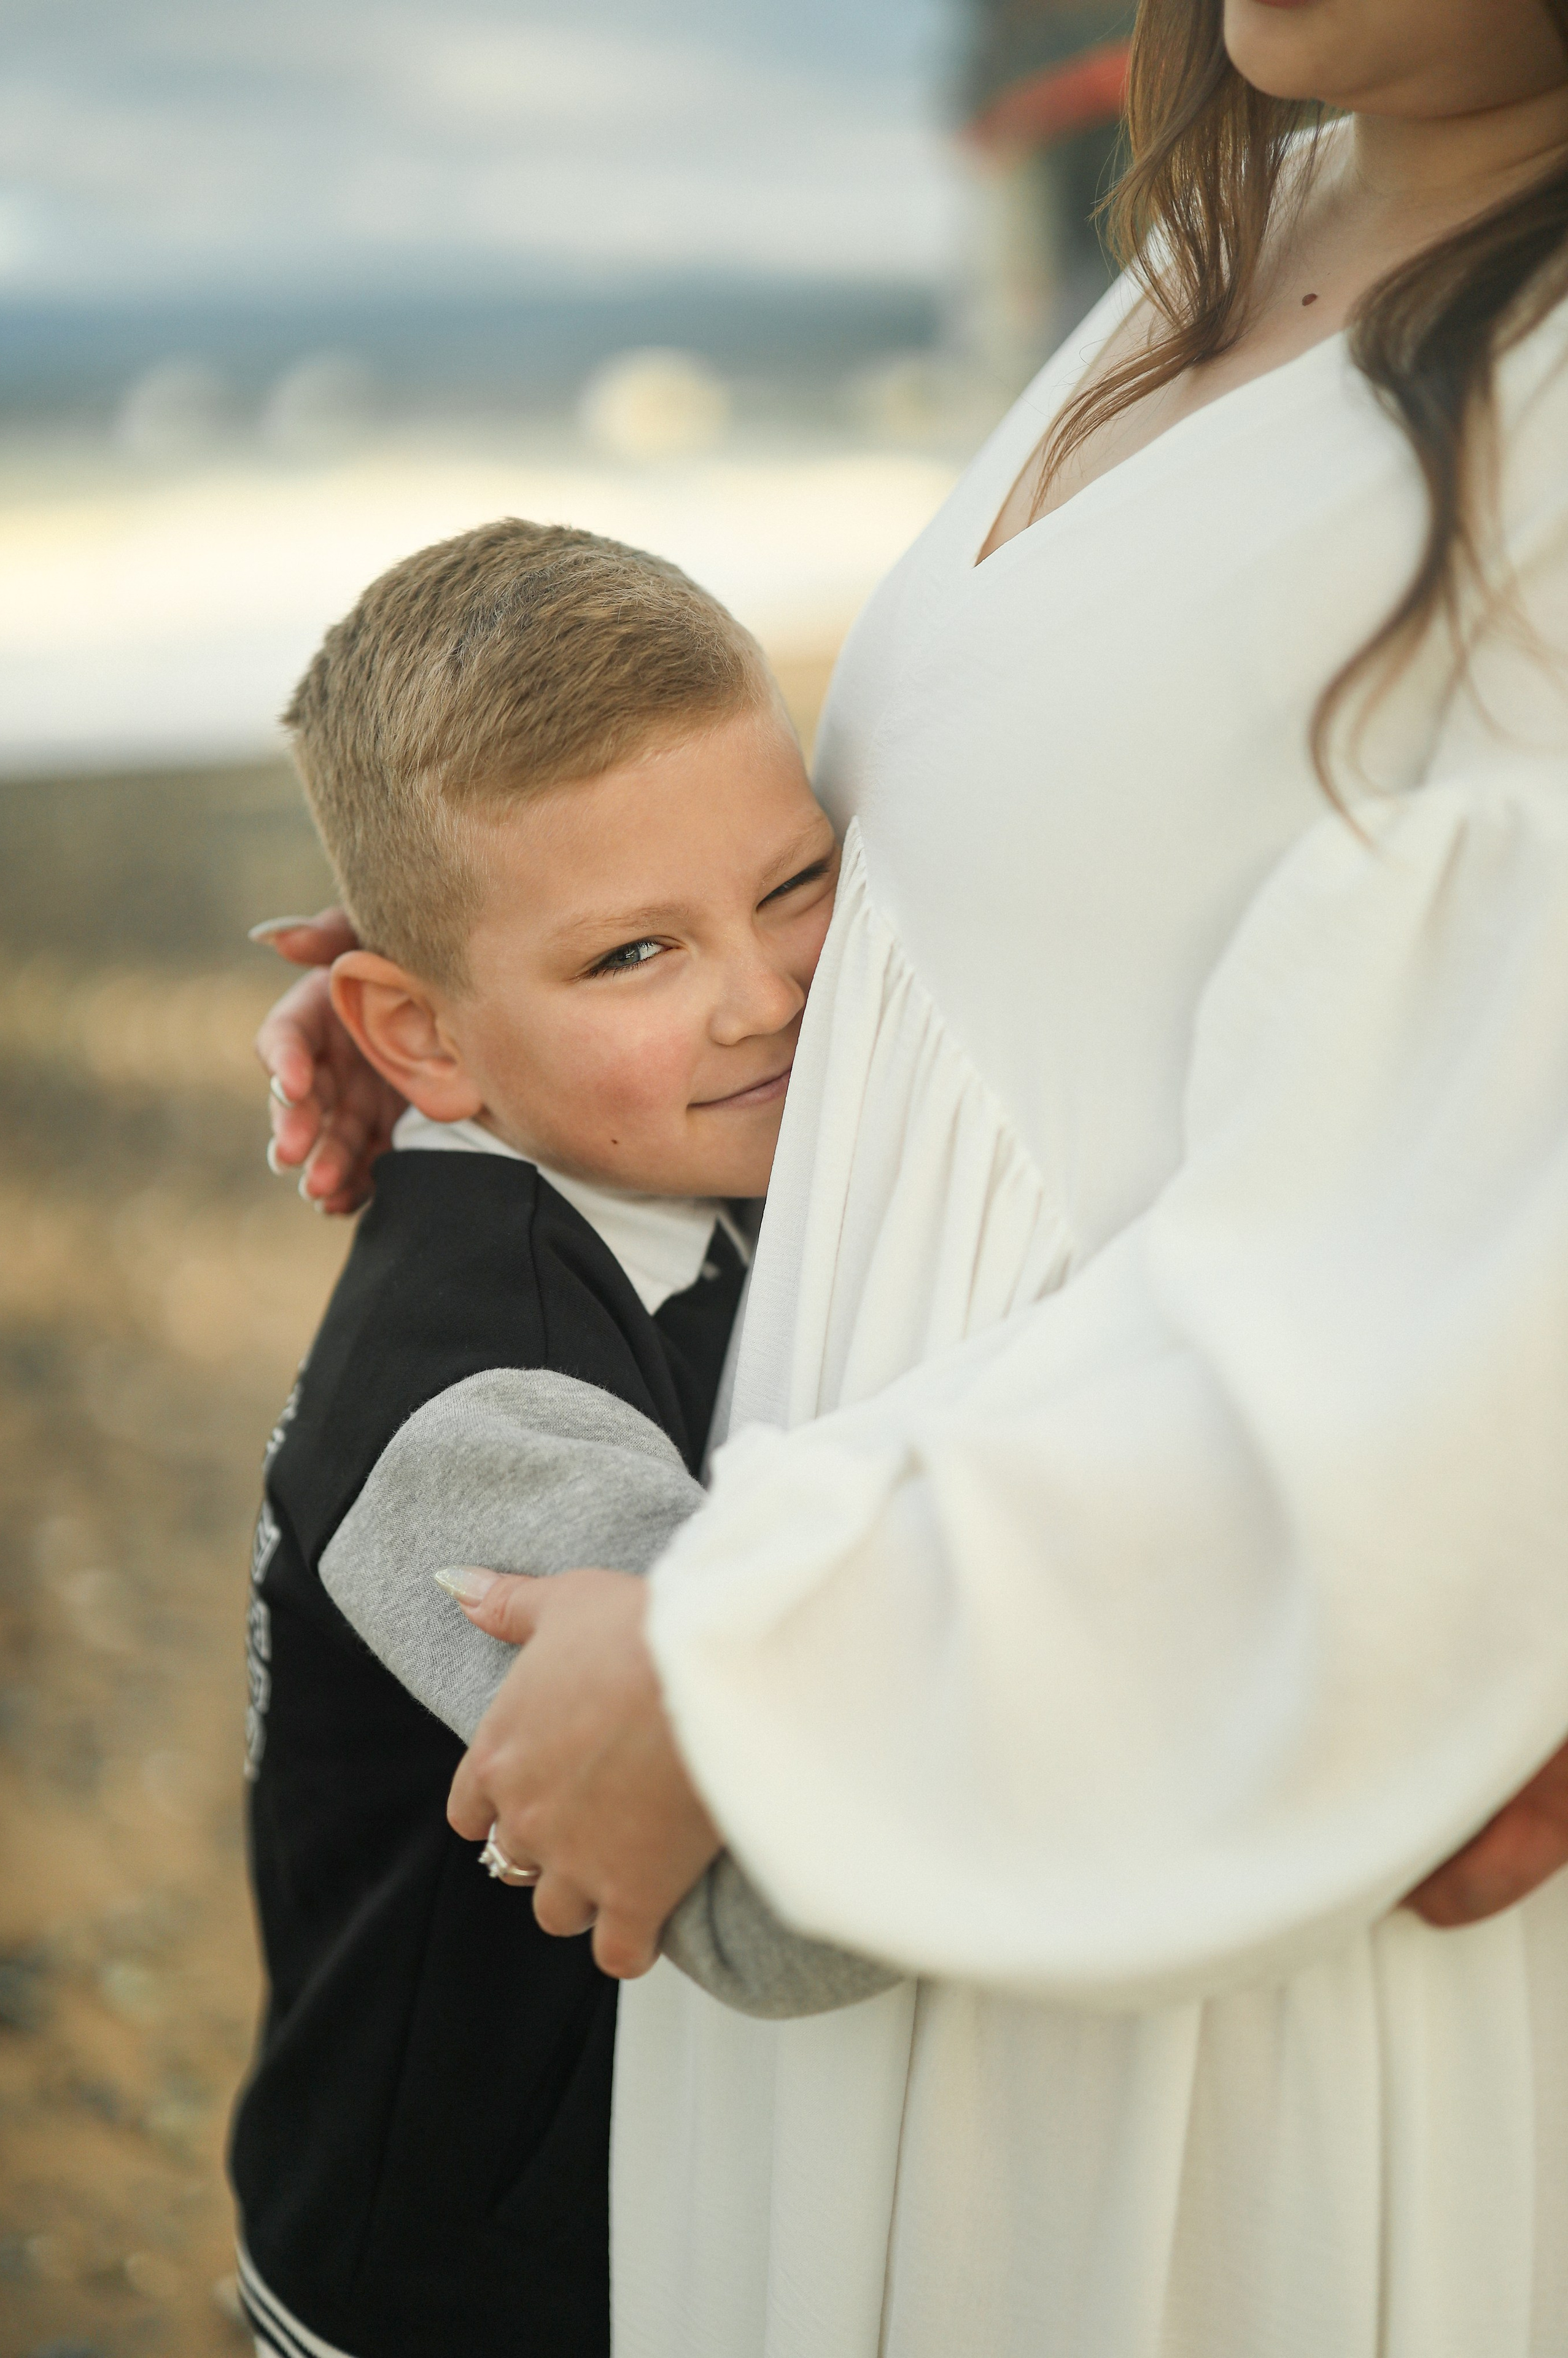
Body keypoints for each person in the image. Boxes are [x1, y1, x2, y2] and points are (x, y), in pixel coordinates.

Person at [257, 1, 1568, 2349]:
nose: (748, 985)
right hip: (906, 1794)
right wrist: (519, 1062)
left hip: (1126, 1850)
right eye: (658, 950)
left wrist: (783, 1675)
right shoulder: (1259, 203)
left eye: (765, 915)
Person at [232, 520, 891, 2358]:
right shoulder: (481, 1412)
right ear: (413, 1039)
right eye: (632, 955)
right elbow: (777, 1900)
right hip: (458, 2285)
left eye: (798, 886)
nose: (764, 995)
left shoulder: (668, 1142)